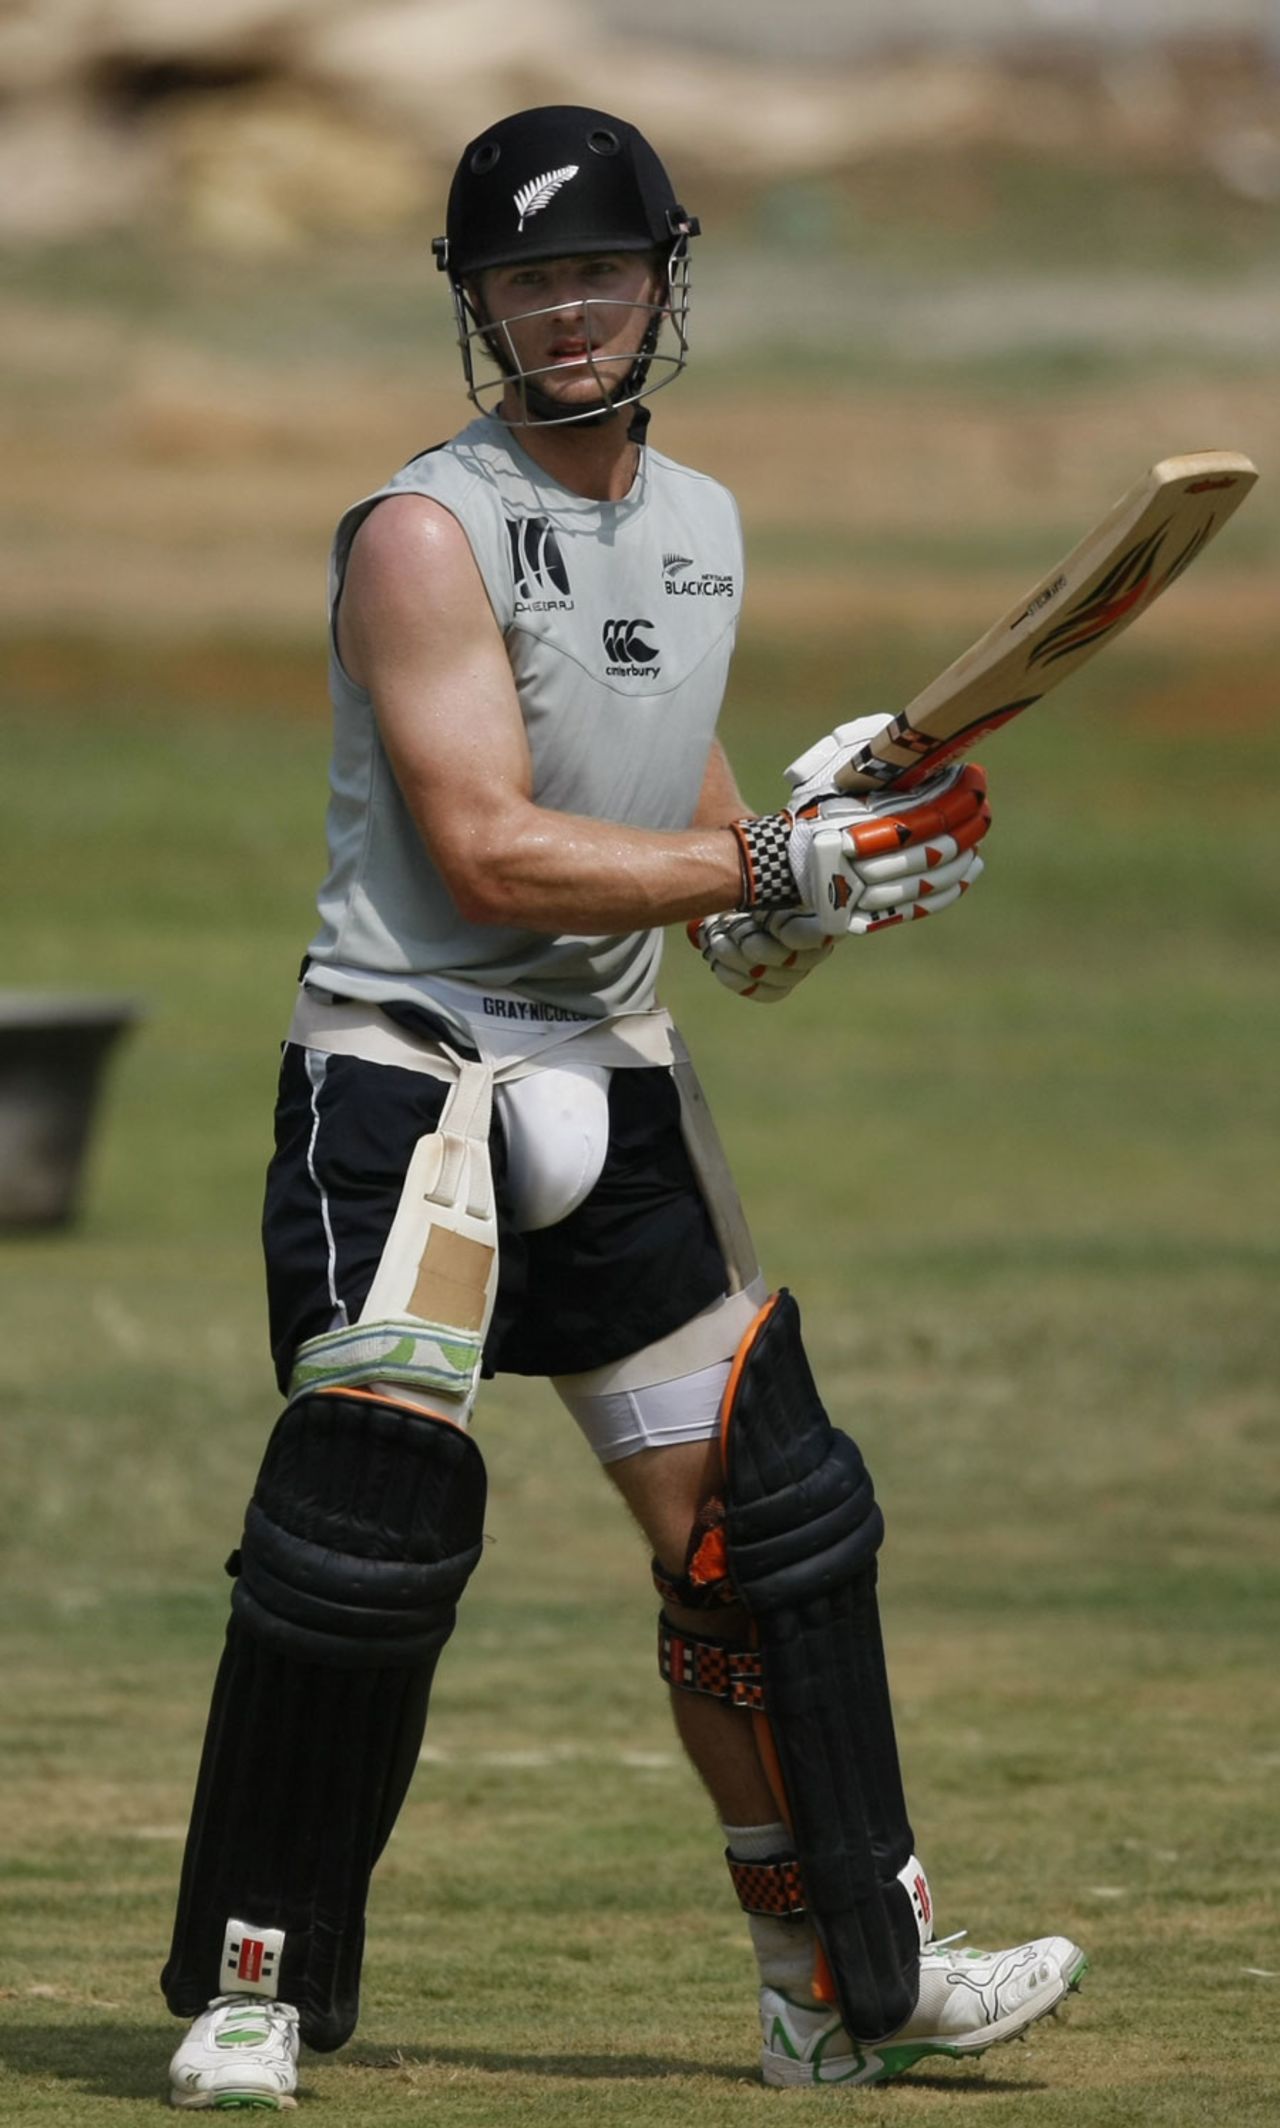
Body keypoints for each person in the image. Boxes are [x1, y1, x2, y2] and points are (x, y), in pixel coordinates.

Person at [161, 104, 1085, 2110]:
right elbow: (493, 848)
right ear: (475, 305)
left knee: (765, 1531)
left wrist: (803, 868)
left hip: (617, 1079)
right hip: (412, 1083)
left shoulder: (706, 525)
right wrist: (767, 873)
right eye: (520, 279)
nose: (561, 310)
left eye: (595, 271)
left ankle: (844, 1974)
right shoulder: (422, 530)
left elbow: (676, 832)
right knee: (362, 1539)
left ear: (664, 280)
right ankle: (252, 1979)